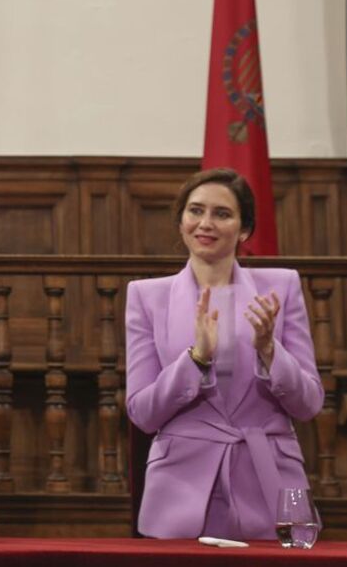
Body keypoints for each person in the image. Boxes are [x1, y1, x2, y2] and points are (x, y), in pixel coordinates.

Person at [125, 167, 323, 540]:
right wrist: (195, 359)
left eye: (222, 213)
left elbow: (309, 404)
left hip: (271, 485)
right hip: (181, 489)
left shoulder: (283, 287)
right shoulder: (146, 296)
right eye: (195, 211)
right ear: (181, 220)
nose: (206, 223)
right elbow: (143, 413)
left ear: (244, 229)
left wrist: (269, 351)